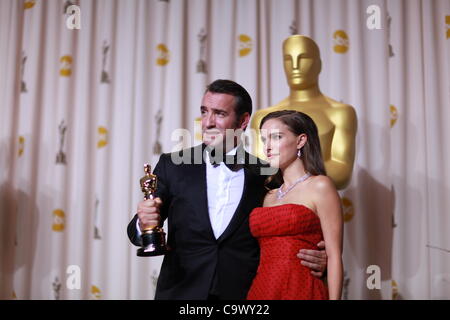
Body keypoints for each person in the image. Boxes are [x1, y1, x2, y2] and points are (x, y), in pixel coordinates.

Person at [127, 79, 327, 300]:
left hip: (244, 294)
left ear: (243, 121)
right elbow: (139, 231)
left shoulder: (267, 172)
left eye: (219, 114)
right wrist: (142, 223)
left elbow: (293, 226)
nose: (208, 122)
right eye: (204, 112)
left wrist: (321, 255)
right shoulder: (172, 165)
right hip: (181, 291)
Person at [247, 110, 343, 300]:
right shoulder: (268, 194)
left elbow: (334, 257)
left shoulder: (320, 185)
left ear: (300, 141)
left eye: (276, 137)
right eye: (264, 139)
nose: (268, 147)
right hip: (262, 289)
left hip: (301, 289)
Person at [250, 35, 357, 190]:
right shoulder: (264, 116)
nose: (295, 66)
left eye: (304, 58)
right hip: (276, 203)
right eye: (288, 59)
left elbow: (342, 173)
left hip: (318, 203)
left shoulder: (340, 113)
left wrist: (291, 171)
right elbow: (262, 170)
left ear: (319, 64)